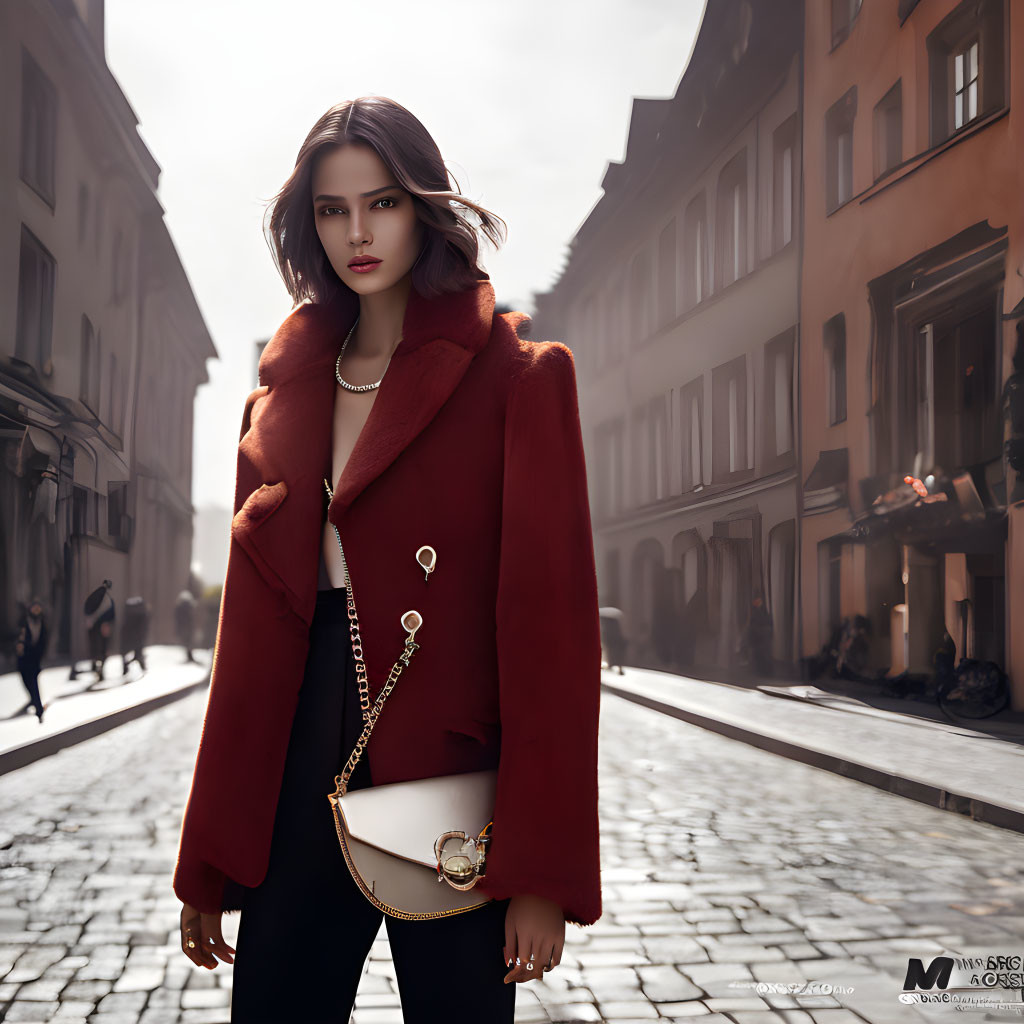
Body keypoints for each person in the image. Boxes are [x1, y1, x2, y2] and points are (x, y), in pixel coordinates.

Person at [172, 96, 603, 1023]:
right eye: (332, 210)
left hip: (450, 792)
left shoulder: (520, 381)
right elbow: (243, 656)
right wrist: (208, 856)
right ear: (309, 223)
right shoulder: (276, 405)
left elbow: (552, 643)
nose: (357, 233)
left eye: (383, 203)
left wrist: (540, 873)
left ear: (424, 208)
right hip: (294, 782)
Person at [15, 596, 49, 722]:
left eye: (38, 608)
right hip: (24, 657)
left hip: (34, 658)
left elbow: (44, 640)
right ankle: (33, 700)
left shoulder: (42, 623)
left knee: (34, 683)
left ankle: (39, 709)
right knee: (25, 680)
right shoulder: (24, 621)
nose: (36, 610)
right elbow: (18, 635)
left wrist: (40, 654)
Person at [83, 579, 115, 679]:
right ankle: (100, 668)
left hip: (93, 625)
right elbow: (110, 612)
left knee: (95, 647)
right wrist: (105, 623)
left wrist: (89, 620)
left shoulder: (95, 595)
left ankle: (95, 665)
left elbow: (87, 608)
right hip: (102, 626)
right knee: (103, 649)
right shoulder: (106, 598)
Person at [121, 595, 150, 675]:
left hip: (130, 636)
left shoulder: (129, 611)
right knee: (138, 653)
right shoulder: (142, 611)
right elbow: (144, 626)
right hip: (137, 637)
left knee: (132, 653)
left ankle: (127, 667)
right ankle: (140, 666)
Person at [173, 589, 197, 663]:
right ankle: (189, 656)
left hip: (184, 627)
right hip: (187, 627)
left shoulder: (179, 606)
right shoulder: (188, 606)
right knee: (188, 641)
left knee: (187, 642)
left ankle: (189, 656)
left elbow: (177, 618)